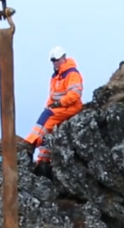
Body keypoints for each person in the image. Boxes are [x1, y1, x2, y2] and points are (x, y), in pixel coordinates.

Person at [24, 46, 84, 175]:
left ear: (63, 58)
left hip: (71, 107)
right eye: (52, 60)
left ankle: (31, 142)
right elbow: (52, 96)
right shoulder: (56, 76)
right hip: (61, 107)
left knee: (47, 120)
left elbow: (74, 95)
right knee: (47, 125)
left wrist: (58, 104)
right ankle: (42, 162)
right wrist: (50, 106)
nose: (55, 63)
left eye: (56, 60)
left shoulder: (71, 74)